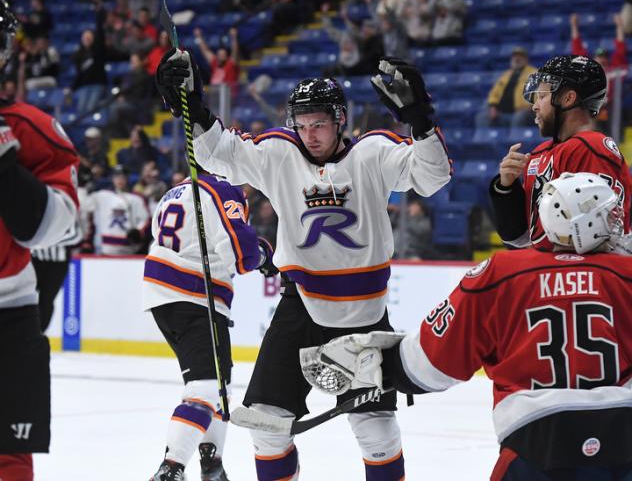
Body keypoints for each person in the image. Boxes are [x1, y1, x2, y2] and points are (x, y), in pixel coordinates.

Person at [156, 49, 451, 480]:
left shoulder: (374, 152)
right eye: (303, 124)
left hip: (366, 315)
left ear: (341, 122)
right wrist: (192, 107)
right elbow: (218, 154)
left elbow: (432, 176)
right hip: (301, 307)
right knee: (265, 425)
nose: (310, 134)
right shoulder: (278, 152)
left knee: (377, 429)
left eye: (320, 124)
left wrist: (421, 118)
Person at [310, 171, 632, 480]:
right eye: (607, 215)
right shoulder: (626, 275)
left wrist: (386, 365)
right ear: (581, 223)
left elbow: (432, 361)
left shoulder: (502, 273)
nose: (617, 224)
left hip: (534, 441)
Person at [144, 171, 277, 481]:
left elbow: (189, 237)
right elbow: (241, 256)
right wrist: (265, 256)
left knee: (221, 383)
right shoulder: (224, 190)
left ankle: (212, 464)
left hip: (162, 293)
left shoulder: (175, 190)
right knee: (205, 387)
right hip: (195, 295)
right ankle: (171, 468)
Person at [0, 0, 79, 480]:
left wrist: (5, 161)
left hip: (9, 313)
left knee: (9, 453)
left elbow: (51, 228)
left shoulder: (32, 130)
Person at [488, 54, 632, 249]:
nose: (535, 106)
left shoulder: (590, 148)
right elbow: (519, 239)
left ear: (568, 98)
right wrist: (507, 187)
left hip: (576, 273)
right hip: (554, 268)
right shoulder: (540, 154)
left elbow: (599, 241)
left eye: (542, 96)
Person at [84, 165, 150, 255]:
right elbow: (85, 207)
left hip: (131, 250)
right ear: (112, 178)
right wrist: (84, 187)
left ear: (127, 178)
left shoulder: (137, 198)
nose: (120, 180)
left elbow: (145, 220)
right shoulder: (101, 196)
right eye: (117, 177)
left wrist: (139, 232)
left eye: (123, 177)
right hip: (106, 249)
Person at [475, 47, 537, 129]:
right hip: (502, 112)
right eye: (514, 56)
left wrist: (530, 106)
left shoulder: (534, 73)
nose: (517, 58)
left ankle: (515, 140)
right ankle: (483, 141)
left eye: (520, 56)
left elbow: (539, 93)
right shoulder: (506, 74)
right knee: (481, 117)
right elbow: (494, 93)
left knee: (518, 117)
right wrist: (493, 107)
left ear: (526, 59)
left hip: (524, 111)